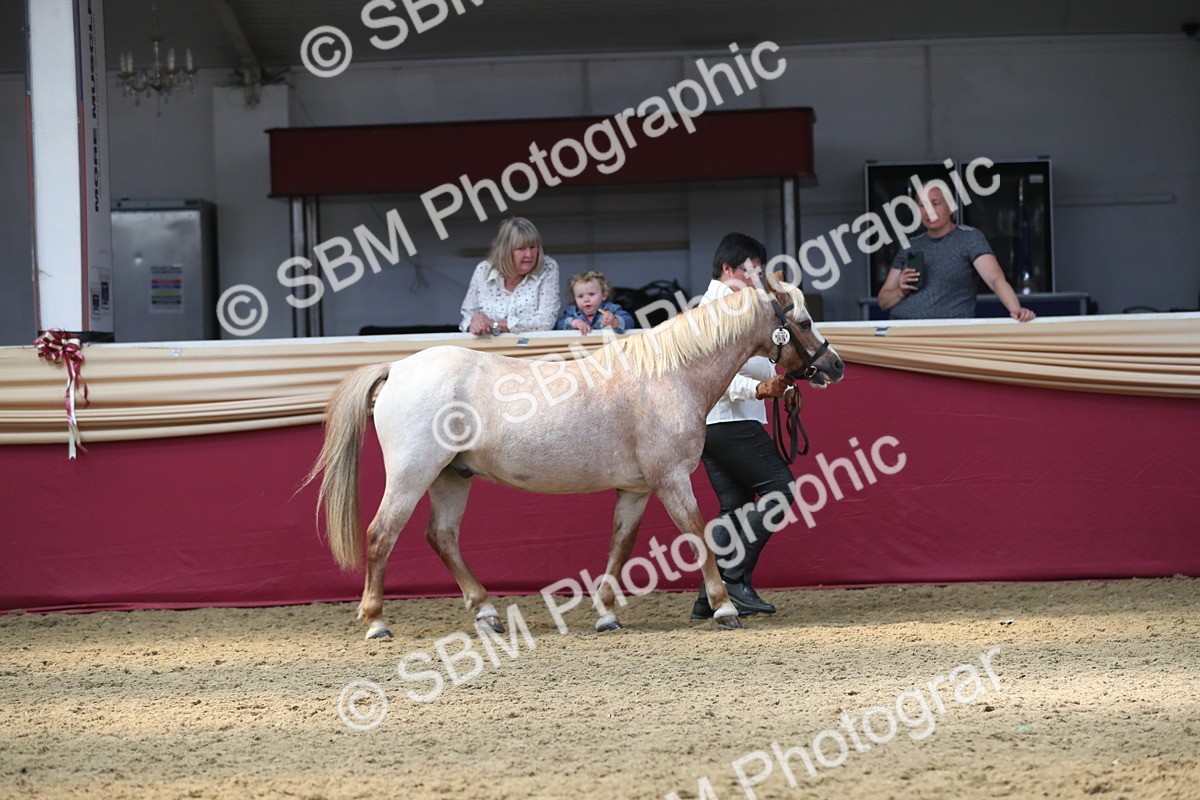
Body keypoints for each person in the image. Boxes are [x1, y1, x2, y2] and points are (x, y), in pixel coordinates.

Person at [692, 232, 797, 620]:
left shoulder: (727, 306)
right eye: (751, 269)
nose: (756, 277)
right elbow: (713, 375)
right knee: (781, 490)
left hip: (721, 422)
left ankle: (709, 595)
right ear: (727, 269)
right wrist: (758, 388)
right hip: (728, 419)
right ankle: (733, 579)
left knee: (735, 508)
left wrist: (771, 387)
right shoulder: (719, 310)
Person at [878, 186, 1036, 322]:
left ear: (952, 207)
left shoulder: (968, 238)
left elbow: (995, 279)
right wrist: (901, 291)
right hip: (901, 332)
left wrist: (1017, 310)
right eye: (923, 205)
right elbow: (883, 301)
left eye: (935, 203)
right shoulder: (910, 245)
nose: (929, 211)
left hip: (947, 334)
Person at [460, 217, 560, 335]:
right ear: (505, 250)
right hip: (488, 350)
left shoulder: (548, 267)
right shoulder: (483, 270)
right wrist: (475, 324)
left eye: (533, 247)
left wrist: (494, 324)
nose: (529, 254)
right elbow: (468, 317)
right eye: (521, 249)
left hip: (532, 351)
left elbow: (545, 322)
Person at [554, 270, 635, 334]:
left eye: (591, 294)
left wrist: (615, 321)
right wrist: (573, 322)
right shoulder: (572, 312)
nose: (586, 299)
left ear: (604, 295)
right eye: (580, 296)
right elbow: (557, 326)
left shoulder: (611, 309)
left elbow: (630, 322)